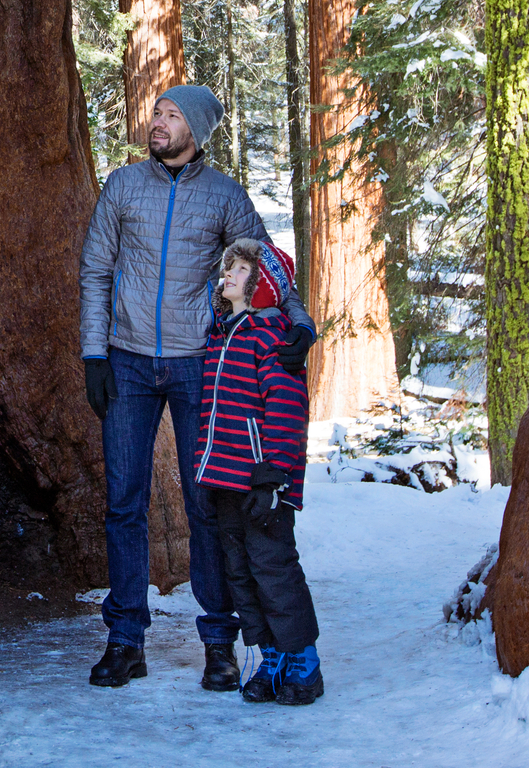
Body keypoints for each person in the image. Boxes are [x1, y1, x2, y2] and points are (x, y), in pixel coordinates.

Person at [77, 85, 316, 691]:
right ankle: (126, 638)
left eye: (172, 114)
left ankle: (219, 643)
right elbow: (96, 268)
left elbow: (264, 262)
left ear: (198, 129)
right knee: (123, 503)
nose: (158, 122)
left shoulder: (224, 196)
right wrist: (94, 353)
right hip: (127, 361)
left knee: (205, 506)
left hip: (197, 366)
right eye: (156, 111)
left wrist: (300, 322)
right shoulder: (124, 186)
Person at [199, 237, 322, 706]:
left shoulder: (271, 337)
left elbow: (287, 410)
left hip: (264, 481)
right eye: (228, 267)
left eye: (242, 269)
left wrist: (274, 474)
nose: (228, 274)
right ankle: (271, 658)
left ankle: (303, 663)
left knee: (274, 569)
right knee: (242, 573)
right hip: (226, 480)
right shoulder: (222, 334)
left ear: (265, 283)